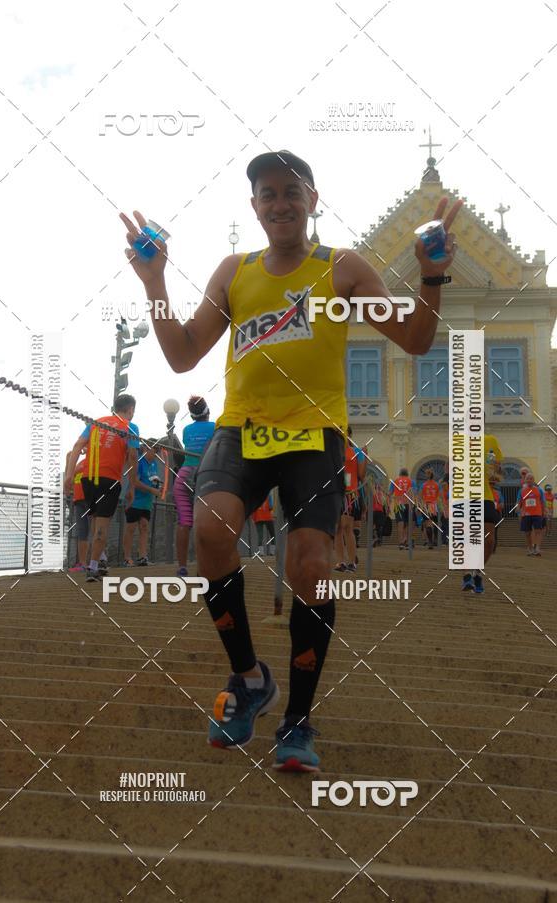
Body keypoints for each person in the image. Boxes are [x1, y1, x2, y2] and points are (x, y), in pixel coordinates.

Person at [121, 148, 460, 770]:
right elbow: (182, 354)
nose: (280, 203)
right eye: (268, 194)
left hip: (313, 436)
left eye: (291, 192)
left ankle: (298, 720)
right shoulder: (235, 271)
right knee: (213, 530)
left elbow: (415, 339)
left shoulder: (342, 267)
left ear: (312, 200)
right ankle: (250, 679)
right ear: (254, 207)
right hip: (241, 430)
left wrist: (431, 277)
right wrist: (155, 284)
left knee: (311, 567)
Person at [64, 394, 138, 582]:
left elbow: (77, 445)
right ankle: (93, 567)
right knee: (102, 525)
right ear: (130, 409)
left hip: (88, 479)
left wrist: (69, 475)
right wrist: (132, 487)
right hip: (109, 480)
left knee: (96, 519)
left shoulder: (96, 422)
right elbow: (132, 456)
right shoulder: (130, 427)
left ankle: (101, 558)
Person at [172, 397, 215, 577]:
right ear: (207, 411)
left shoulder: (187, 430)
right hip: (206, 475)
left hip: (183, 477)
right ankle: (207, 566)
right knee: (208, 523)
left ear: (191, 415)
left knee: (184, 522)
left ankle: (182, 568)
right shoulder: (215, 427)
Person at [461, 435, 503, 594]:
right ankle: (467, 576)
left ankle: (477, 572)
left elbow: (497, 469)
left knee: (490, 540)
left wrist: (495, 471)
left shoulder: (490, 441)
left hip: (485, 497)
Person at [123, 440, 162, 566]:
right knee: (131, 528)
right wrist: (151, 489)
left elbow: (152, 478)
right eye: (155, 450)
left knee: (144, 526)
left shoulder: (154, 464)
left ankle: (142, 557)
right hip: (135, 500)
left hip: (147, 502)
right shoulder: (139, 462)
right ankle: (127, 558)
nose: (156, 453)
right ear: (146, 449)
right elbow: (134, 481)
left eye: (158, 451)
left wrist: (157, 487)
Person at [334, 429, 365, 571]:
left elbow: (361, 475)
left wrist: (364, 457)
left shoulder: (356, 452)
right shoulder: (333, 451)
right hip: (337, 493)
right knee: (338, 529)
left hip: (349, 494)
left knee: (346, 527)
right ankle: (341, 562)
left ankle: (351, 562)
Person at [67, 455, 90, 572]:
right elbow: (70, 480)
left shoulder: (96, 461)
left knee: (95, 530)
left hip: (90, 499)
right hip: (78, 500)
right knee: (82, 531)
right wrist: (68, 459)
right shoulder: (79, 463)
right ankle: (83, 563)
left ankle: (99, 561)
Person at [517, 473, 545, 557]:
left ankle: (537, 548)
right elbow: (519, 502)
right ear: (525, 480)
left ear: (533, 480)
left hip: (537, 513)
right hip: (526, 515)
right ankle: (530, 548)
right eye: (527, 478)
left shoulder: (539, 490)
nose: (529, 480)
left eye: (531, 478)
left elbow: (543, 501)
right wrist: (518, 511)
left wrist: (544, 511)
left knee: (538, 531)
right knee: (527, 533)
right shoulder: (521, 491)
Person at [391, 468, 414, 550]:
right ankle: (407, 542)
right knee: (407, 524)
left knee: (400, 523)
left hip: (398, 504)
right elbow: (413, 493)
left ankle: (401, 542)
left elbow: (390, 493)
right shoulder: (411, 481)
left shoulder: (395, 481)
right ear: (407, 473)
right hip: (408, 504)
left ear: (400, 474)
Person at [420, 469, 441, 549]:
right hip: (434, 505)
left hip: (426, 505)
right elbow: (439, 497)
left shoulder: (423, 485)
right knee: (435, 523)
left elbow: (420, 496)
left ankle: (430, 542)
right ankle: (435, 539)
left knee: (428, 523)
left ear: (427, 475)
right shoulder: (437, 485)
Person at [372, 481, 387, 547]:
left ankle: (375, 538)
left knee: (374, 526)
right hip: (379, 512)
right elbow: (384, 503)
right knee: (379, 526)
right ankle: (378, 539)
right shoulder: (381, 495)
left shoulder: (374, 494)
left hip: (374, 512)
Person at [440, 471, 450, 545]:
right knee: (444, 526)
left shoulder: (449, 492)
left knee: (446, 526)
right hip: (444, 512)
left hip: (448, 512)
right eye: (443, 485)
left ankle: (446, 539)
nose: (444, 486)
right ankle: (444, 539)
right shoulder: (441, 492)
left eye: (445, 485)